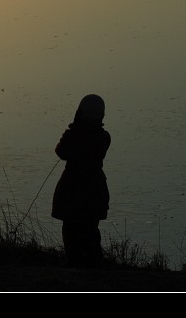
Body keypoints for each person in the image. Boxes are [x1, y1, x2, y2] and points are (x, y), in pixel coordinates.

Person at [51, 94, 111, 268]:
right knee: (91, 230)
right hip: (94, 189)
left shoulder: (75, 135)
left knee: (70, 230)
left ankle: (76, 265)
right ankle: (94, 267)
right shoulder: (104, 137)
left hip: (73, 187)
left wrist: (73, 128)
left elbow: (61, 151)